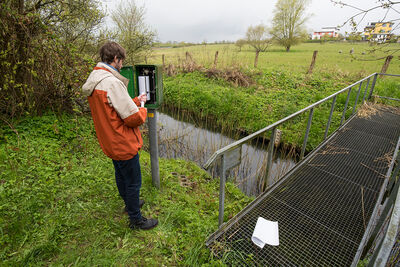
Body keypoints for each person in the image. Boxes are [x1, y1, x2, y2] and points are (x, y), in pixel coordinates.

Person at [82, 41, 158, 230]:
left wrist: (133, 101)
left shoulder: (96, 79)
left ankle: (129, 204)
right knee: (133, 181)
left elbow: (113, 109)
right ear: (115, 59)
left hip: (109, 140)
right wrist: (141, 107)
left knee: (121, 174)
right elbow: (133, 118)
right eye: (121, 61)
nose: (122, 65)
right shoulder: (112, 83)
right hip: (122, 142)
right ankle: (136, 220)